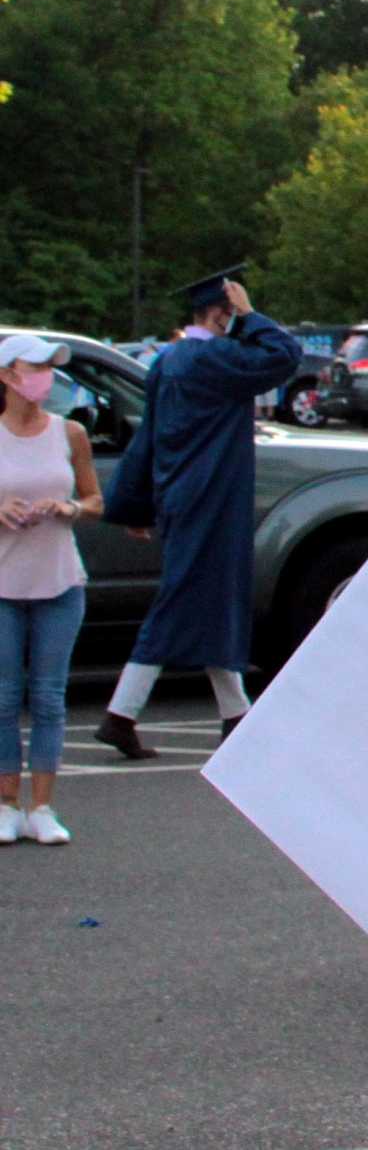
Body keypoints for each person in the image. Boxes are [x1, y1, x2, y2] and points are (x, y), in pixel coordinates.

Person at [96, 272, 302, 757]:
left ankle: (237, 716)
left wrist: (137, 503)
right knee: (184, 599)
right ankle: (120, 713)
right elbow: (283, 357)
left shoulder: (167, 361)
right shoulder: (215, 358)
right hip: (212, 497)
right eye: (231, 313)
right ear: (220, 313)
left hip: (179, 495)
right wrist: (252, 315)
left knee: (209, 599)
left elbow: (147, 438)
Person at [0, 335, 102, 845]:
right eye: (33, 365)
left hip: (60, 582)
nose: (44, 375)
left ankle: (42, 806)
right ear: (6, 374)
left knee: (48, 697)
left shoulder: (70, 432)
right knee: (2, 698)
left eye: (49, 367)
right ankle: (4, 804)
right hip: (2, 585)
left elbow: (94, 499)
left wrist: (72, 510)